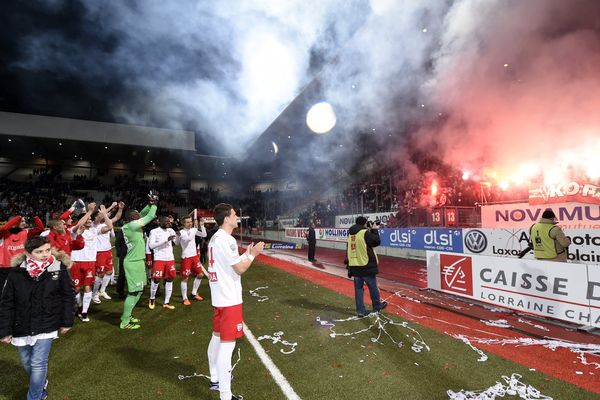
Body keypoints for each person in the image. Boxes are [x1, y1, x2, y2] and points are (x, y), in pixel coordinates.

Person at [0, 236, 75, 400]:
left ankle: (34, 397)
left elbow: (68, 295)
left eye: (47, 250)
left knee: (38, 363)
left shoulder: (58, 268)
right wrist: (4, 330)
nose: (45, 254)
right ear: (28, 253)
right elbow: (6, 302)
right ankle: (41, 384)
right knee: (27, 362)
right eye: (39, 252)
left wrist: (67, 320)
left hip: (47, 323)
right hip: (21, 324)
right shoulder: (16, 272)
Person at [207, 203, 264, 400]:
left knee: (216, 337)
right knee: (227, 345)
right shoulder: (228, 239)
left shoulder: (215, 238)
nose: (236, 217)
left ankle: (214, 378)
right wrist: (254, 255)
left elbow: (231, 264)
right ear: (226, 219)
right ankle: (225, 394)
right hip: (229, 298)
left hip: (219, 297)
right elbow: (240, 269)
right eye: (233, 215)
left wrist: (247, 253)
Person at [120, 192, 158, 329]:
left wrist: (149, 204)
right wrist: (154, 204)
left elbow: (144, 213)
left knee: (140, 290)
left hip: (138, 261)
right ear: (132, 217)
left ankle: (127, 314)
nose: (139, 214)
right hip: (133, 262)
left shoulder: (131, 224)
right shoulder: (132, 226)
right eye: (137, 213)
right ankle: (124, 322)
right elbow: (150, 216)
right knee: (133, 292)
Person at [71, 204, 113, 322]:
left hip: (90, 262)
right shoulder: (75, 230)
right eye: (87, 219)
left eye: (90, 219)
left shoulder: (95, 230)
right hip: (76, 262)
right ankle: (79, 307)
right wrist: (89, 212)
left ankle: (84, 311)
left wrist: (104, 214)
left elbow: (109, 227)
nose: (89, 220)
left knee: (88, 286)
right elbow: (79, 224)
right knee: (76, 289)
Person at [345, 216, 388, 317]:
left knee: (359, 289)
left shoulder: (350, 234)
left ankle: (360, 311)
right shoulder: (364, 233)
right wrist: (374, 229)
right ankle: (377, 306)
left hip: (355, 266)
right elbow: (376, 241)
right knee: (373, 287)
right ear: (364, 224)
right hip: (366, 265)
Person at [91, 202, 124, 304]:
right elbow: (109, 227)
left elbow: (117, 217)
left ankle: (102, 291)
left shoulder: (105, 222)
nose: (102, 215)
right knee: (100, 274)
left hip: (107, 251)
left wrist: (120, 209)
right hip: (99, 252)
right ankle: (94, 294)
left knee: (109, 272)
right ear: (95, 217)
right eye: (100, 215)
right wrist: (109, 208)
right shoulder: (94, 226)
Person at [148, 216, 178, 310]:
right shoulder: (154, 231)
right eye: (166, 221)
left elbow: (176, 243)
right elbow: (151, 246)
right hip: (159, 258)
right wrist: (166, 240)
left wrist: (178, 237)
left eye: (169, 221)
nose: (168, 223)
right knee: (156, 279)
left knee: (170, 279)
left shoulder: (171, 230)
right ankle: (152, 298)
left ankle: (167, 302)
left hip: (170, 258)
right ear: (159, 222)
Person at [178, 213, 207, 305]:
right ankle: (184, 298)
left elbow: (204, 234)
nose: (190, 223)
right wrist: (194, 230)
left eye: (190, 222)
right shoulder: (181, 232)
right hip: (186, 257)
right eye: (187, 222)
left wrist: (201, 226)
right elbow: (188, 239)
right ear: (183, 223)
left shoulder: (193, 230)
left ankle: (194, 293)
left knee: (200, 275)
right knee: (185, 278)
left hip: (194, 256)